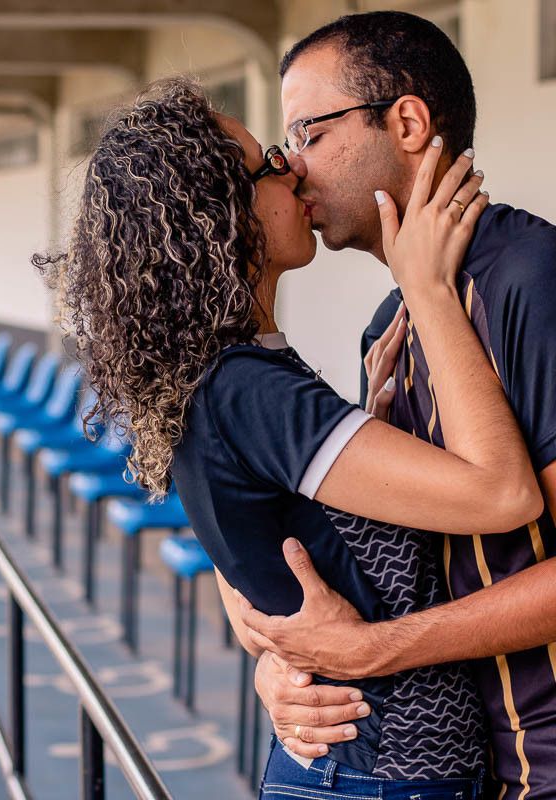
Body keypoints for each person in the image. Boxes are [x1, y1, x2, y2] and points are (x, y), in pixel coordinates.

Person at [34, 76, 543, 796]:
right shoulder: (245, 388)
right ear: (219, 215)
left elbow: (294, 569)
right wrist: (426, 290)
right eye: (271, 160)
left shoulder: (240, 372)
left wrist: (275, 653)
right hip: (380, 776)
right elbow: (503, 493)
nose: (294, 168)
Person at [238, 10, 556, 800]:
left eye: (309, 132)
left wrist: (376, 650)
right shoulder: (387, 329)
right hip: (458, 762)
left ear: (407, 121)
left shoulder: (530, 279)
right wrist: (286, 665)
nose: (292, 169)